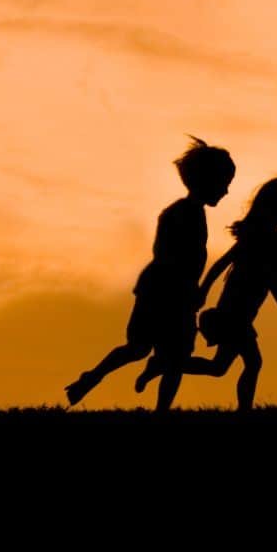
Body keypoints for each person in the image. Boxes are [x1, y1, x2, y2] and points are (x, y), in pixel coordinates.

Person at [65, 137, 235, 409]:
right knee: (156, 352)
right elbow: (169, 256)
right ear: (207, 181)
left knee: (157, 352)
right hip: (166, 293)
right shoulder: (182, 214)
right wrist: (187, 291)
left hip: (164, 290)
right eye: (223, 183)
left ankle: (104, 383)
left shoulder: (187, 213)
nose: (226, 191)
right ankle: (99, 381)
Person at [136, 175, 277, 410]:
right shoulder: (259, 239)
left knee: (218, 368)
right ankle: (244, 410)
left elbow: (270, 280)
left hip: (243, 314)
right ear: (274, 207)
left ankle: (163, 365)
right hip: (233, 313)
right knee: (253, 362)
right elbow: (233, 269)